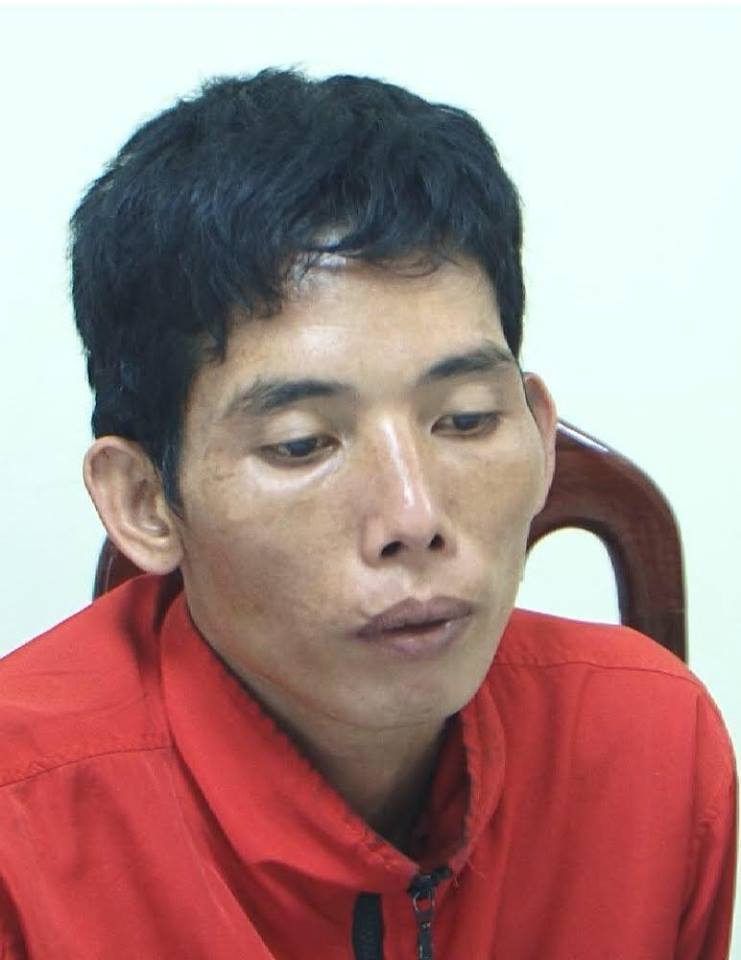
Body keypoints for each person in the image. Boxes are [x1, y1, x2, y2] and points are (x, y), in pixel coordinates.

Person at [0, 69, 735, 960]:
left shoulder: (651, 744)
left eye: (465, 420)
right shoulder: (22, 828)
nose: (413, 517)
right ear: (145, 501)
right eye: (302, 443)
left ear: (540, 439)